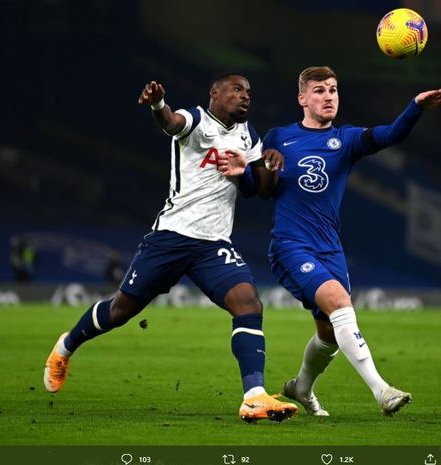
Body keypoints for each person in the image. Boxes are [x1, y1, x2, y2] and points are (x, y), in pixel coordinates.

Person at [43, 73, 297, 423]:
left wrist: (269, 164)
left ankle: (254, 396)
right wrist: (158, 104)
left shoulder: (247, 134)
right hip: (172, 237)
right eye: (237, 90)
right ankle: (65, 346)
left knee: (249, 304)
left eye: (249, 92)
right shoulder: (196, 119)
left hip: (214, 244)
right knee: (120, 311)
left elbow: (259, 190)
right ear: (215, 94)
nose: (245, 96)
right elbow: (170, 122)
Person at [232, 66, 441, 416]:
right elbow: (257, 189)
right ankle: (382, 391)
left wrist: (415, 107)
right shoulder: (277, 137)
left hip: (330, 248)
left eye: (333, 90)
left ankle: (301, 388)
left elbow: (390, 135)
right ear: (302, 98)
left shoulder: (346, 139)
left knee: (330, 333)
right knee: (338, 301)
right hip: (290, 245)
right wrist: (245, 171)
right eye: (319, 90)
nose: (328, 96)